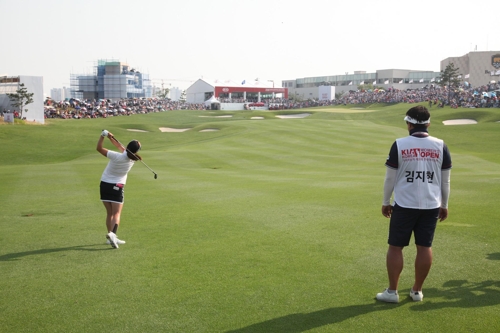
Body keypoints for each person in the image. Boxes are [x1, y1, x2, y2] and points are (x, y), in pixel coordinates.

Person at [376, 105, 452, 303]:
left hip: (404, 203)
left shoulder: (399, 144)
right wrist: (444, 204)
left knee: (395, 247)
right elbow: (445, 181)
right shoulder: (441, 145)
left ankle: (392, 292)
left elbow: (389, 179)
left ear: (408, 123)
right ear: (428, 123)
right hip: (431, 204)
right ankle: (417, 291)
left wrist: (385, 202)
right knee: (424, 246)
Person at [96, 130, 141, 249]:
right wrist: (112, 138)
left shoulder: (116, 156)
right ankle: (113, 235)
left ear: (128, 148)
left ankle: (111, 236)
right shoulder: (133, 159)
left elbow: (99, 148)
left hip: (104, 185)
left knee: (110, 213)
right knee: (116, 213)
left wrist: (103, 136)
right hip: (117, 186)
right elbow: (122, 148)